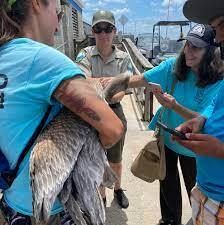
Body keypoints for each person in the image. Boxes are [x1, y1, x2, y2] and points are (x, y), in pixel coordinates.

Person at [0, 0, 124, 224]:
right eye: (58, 14)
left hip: (12, 206)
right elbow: (113, 129)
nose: (58, 26)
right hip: (54, 211)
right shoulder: (43, 59)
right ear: (37, 4)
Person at [126, 24, 224, 225]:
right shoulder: (173, 66)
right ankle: (170, 221)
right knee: (167, 186)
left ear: (210, 52)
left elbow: (204, 119)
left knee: (195, 190)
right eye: (187, 45)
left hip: (194, 148)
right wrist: (106, 82)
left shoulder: (218, 82)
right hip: (169, 140)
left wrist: (174, 105)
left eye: (196, 47)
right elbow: (139, 79)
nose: (188, 51)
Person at [169, 0, 224, 224]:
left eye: (222, 25)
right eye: (215, 29)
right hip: (205, 191)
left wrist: (221, 151)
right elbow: (216, 104)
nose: (218, 38)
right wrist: (201, 119)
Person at [76, 10, 133, 209]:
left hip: (114, 110)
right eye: (98, 29)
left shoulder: (124, 57)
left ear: (114, 31)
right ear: (93, 32)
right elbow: (82, 84)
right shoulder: (84, 54)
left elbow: (121, 91)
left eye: (107, 28)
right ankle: (101, 196)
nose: (103, 34)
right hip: (90, 112)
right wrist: (111, 84)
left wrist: (96, 86)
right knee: (96, 157)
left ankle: (117, 188)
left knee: (115, 158)